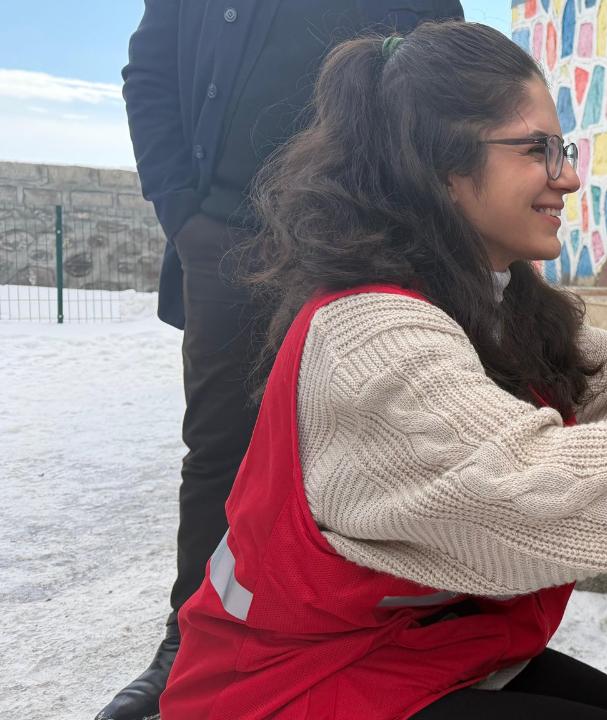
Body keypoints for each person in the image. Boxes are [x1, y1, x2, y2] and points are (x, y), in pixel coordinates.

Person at [156, 20, 607, 720]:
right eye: (536, 150)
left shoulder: (489, 299)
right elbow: (564, 494)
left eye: (564, 148)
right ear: (442, 167)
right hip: (294, 691)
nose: (568, 178)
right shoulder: (373, 342)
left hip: (419, 655)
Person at [105, 3, 465, 719]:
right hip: (228, 235)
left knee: (380, 436)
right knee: (220, 447)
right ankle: (191, 639)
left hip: (367, 234)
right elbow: (147, 74)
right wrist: (184, 212)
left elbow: (443, 75)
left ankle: (362, 637)